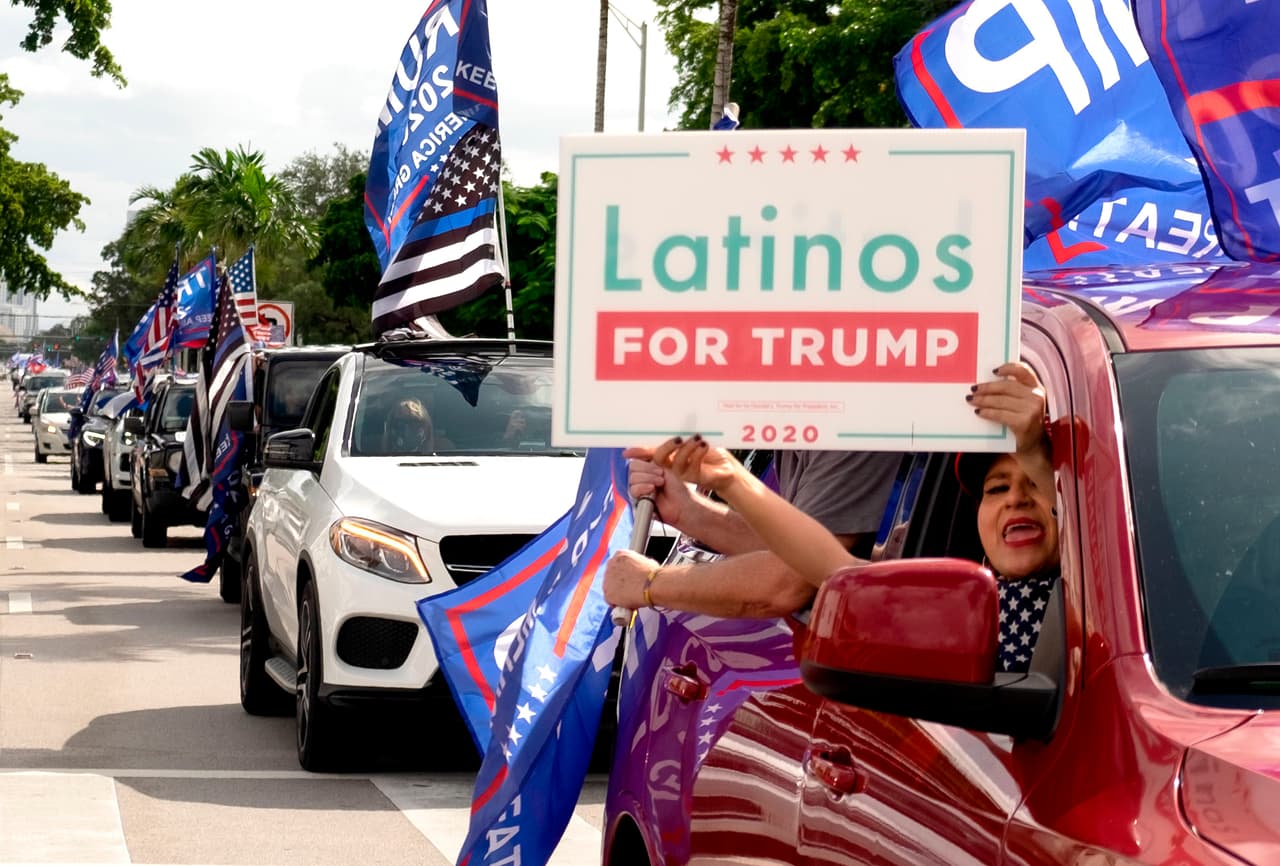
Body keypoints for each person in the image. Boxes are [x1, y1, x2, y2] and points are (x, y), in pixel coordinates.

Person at [606, 362, 1059, 673]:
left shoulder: (1102, 596)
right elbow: (828, 566)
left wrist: (1037, 446)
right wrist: (723, 482)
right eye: (995, 489)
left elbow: (788, 581)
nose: (1015, 500)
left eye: (1034, 487)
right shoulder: (949, 606)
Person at [604, 440, 902, 618]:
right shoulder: (804, 425)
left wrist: (650, 583)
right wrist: (691, 512)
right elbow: (820, 561)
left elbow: (788, 582)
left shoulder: (851, 428)